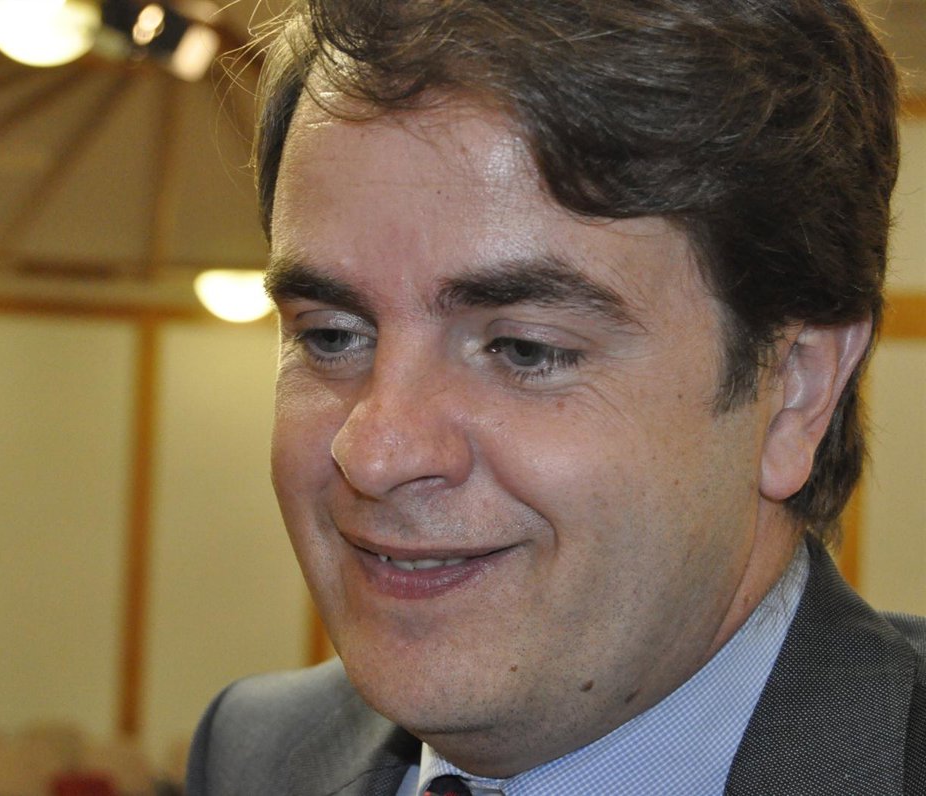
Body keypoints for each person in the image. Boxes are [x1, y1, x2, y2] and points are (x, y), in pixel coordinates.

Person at [187, 0, 926, 793]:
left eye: (524, 351)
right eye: (332, 336)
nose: (375, 454)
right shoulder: (255, 755)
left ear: (795, 391)